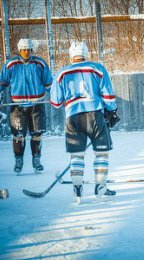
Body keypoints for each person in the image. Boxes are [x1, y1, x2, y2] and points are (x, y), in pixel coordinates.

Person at [50, 41, 120, 203]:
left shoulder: (61, 73)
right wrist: (111, 110)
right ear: (86, 53)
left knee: (77, 155)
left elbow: (55, 102)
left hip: (73, 118)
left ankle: (77, 190)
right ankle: (101, 188)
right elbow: (108, 96)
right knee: (101, 153)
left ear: (71, 55)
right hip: (95, 115)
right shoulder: (98, 68)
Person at [0, 38, 52, 174]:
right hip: (17, 106)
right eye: (23, 50)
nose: (26, 52)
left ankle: (36, 160)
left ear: (32, 50)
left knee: (37, 133)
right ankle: (19, 161)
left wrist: (57, 95)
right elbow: (2, 82)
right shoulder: (11, 65)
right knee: (18, 134)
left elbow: (48, 83)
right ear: (19, 50)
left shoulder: (40, 64)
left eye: (28, 50)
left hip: (37, 104)